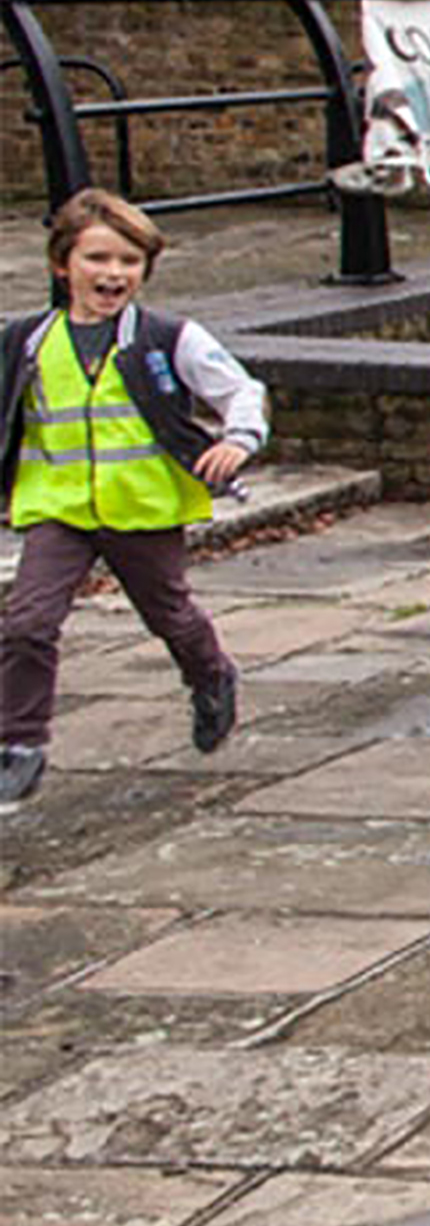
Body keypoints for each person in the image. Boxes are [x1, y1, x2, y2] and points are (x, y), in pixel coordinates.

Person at [2, 190, 263, 800]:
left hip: (142, 508)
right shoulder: (29, 342)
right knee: (27, 622)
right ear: (61, 265)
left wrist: (240, 439)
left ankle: (212, 675)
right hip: (58, 507)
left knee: (169, 615)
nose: (113, 274)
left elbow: (239, 390)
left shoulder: (167, 337)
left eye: (128, 262)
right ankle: (20, 741)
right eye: (97, 259)